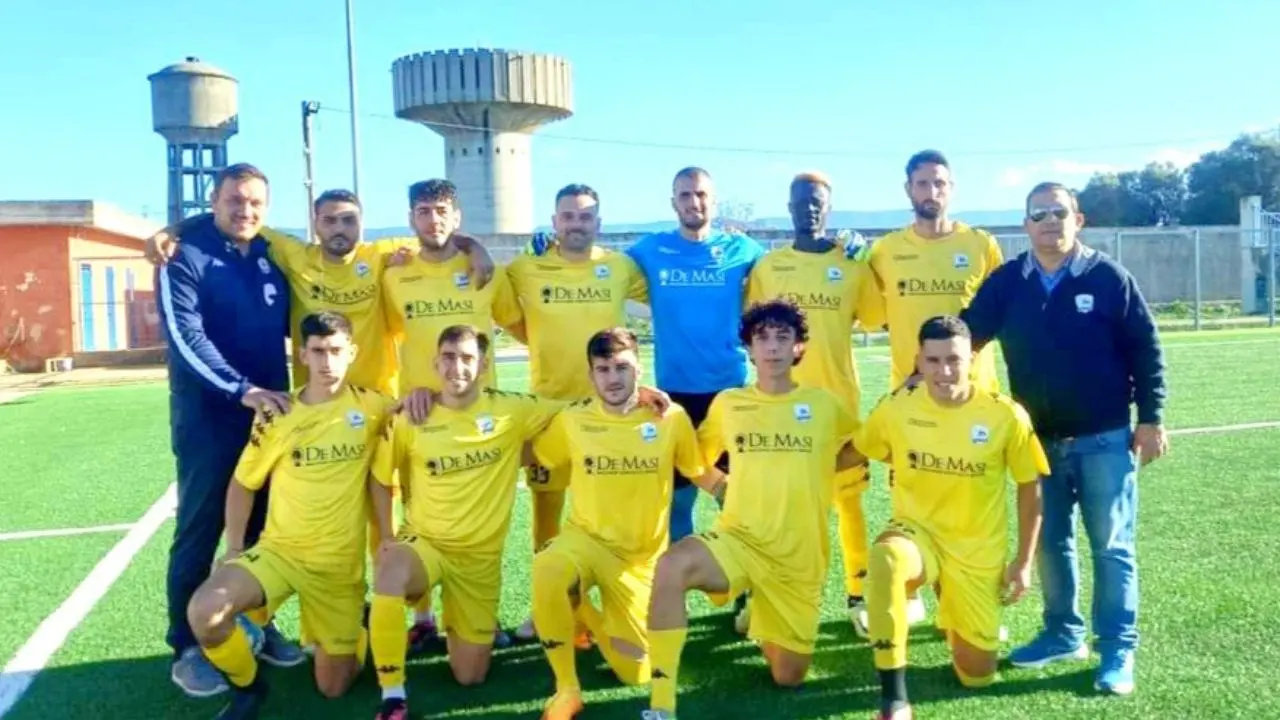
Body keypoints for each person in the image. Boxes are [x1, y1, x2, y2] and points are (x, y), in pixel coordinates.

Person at [961, 181, 1169, 696]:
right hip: (1037, 442)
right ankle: (1061, 632)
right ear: (1026, 225)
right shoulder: (1007, 282)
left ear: (1079, 219)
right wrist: (924, 369)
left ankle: (1117, 647)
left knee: (1112, 547)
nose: (1049, 221)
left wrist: (1152, 417)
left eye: (1059, 212)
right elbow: (966, 335)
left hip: (1103, 437)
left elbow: (1146, 349)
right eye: (1039, 214)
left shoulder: (1109, 278)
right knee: (1051, 545)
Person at [642, 299, 862, 720]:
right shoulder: (730, 403)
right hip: (740, 538)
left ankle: (761, 613)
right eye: (763, 338)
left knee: (788, 676)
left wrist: (818, 465)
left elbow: (862, 446)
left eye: (784, 337)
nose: (773, 347)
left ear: (799, 347)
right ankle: (661, 703)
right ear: (749, 348)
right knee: (672, 566)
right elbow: (692, 455)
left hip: (798, 556)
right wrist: (715, 483)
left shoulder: (823, 405)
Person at [186, 311, 395, 718]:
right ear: (302, 354)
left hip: (337, 567)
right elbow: (244, 484)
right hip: (280, 553)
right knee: (205, 611)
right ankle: (247, 689)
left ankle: (358, 628)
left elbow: (415, 425)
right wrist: (232, 549)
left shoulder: (374, 409)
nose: (326, 362)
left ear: (352, 352)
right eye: (317, 351)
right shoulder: (278, 413)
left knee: (334, 687)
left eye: (336, 351)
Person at [157, 163, 304, 697]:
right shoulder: (183, 255)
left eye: (256, 204)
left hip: (271, 420)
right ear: (214, 202)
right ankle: (187, 646)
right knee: (200, 532)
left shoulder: (272, 254)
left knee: (265, 531)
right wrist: (240, 388)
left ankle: (256, 626)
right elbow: (184, 336)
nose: (246, 211)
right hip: (210, 422)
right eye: (234, 201)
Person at [857, 315, 1047, 720]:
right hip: (918, 535)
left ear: (972, 358)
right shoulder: (897, 407)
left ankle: (954, 609)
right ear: (919, 362)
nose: (944, 371)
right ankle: (893, 698)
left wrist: (1023, 562)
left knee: (977, 675)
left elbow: (1030, 486)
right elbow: (858, 449)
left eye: (954, 360)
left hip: (975, 549)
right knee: (887, 560)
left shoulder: (1005, 415)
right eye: (934, 360)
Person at [529, 327, 721, 720]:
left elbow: (699, 471)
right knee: (548, 567)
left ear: (639, 368)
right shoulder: (573, 420)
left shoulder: (670, 418)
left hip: (640, 560)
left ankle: (581, 609)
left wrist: (733, 494)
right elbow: (539, 454)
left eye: (622, 367)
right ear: (591, 374)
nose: (613, 378)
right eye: (603, 369)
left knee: (635, 673)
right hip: (586, 540)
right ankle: (566, 689)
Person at [502, 184, 650, 644]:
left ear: (598, 224)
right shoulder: (526, 267)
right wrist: (541, 343)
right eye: (568, 216)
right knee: (546, 517)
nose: (576, 224)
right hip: (549, 410)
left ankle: (607, 604)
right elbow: (503, 309)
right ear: (554, 222)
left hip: (607, 411)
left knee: (606, 513)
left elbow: (663, 291)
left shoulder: (620, 266)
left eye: (585, 217)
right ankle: (548, 607)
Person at [865, 149, 1006, 630]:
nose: (932, 192)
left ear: (952, 188)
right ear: (908, 189)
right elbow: (863, 309)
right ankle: (911, 591)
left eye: (940, 183)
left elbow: (997, 312)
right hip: (910, 401)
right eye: (922, 184)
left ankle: (961, 603)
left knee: (969, 508)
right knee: (912, 498)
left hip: (973, 400)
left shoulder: (981, 245)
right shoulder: (884, 252)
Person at [745, 171, 885, 632]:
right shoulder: (770, 268)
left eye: (817, 201)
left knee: (848, 504)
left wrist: (872, 259)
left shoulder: (852, 264)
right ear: (788, 207)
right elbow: (752, 332)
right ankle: (765, 595)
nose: (809, 208)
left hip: (838, 406)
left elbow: (877, 317)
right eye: (801, 201)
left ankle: (860, 595)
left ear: (829, 207)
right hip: (779, 406)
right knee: (778, 506)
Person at [382, 179, 526, 398]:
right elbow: (389, 336)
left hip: (479, 405)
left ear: (456, 218)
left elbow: (518, 326)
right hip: (421, 406)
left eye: (442, 211)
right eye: (423, 212)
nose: (434, 220)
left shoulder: (488, 271)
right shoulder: (394, 276)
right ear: (411, 219)